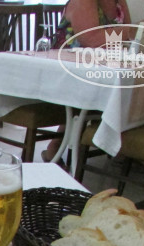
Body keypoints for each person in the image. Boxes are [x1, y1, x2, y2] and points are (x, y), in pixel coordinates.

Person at [42, 0, 132, 162]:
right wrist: (128, 31)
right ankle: (56, 145)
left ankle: (122, 146)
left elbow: (128, 38)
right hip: (68, 70)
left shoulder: (119, 2)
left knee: (134, 85)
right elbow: (93, 40)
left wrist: (129, 33)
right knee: (107, 87)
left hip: (104, 66)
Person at [54, 0, 132, 49]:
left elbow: (131, 39)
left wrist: (133, 31)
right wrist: (131, 31)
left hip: (107, 64)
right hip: (71, 65)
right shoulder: (82, 2)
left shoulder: (119, 2)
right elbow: (92, 41)